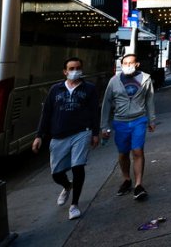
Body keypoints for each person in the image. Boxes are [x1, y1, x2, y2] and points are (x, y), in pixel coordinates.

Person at [32, 57, 100, 220]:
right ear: (65, 71)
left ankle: (74, 205)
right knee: (56, 173)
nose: (74, 71)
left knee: (78, 167)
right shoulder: (55, 90)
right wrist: (39, 136)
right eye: (71, 68)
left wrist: (95, 133)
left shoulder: (89, 89)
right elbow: (46, 113)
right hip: (58, 135)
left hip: (81, 132)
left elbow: (94, 112)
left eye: (77, 68)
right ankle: (67, 186)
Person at [100, 53, 156, 201]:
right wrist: (104, 126)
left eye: (131, 63)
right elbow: (106, 103)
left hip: (139, 119)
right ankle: (126, 179)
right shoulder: (114, 81)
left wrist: (152, 119)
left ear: (137, 64)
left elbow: (149, 99)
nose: (127, 66)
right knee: (123, 153)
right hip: (120, 121)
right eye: (125, 63)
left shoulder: (145, 79)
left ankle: (138, 185)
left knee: (137, 150)